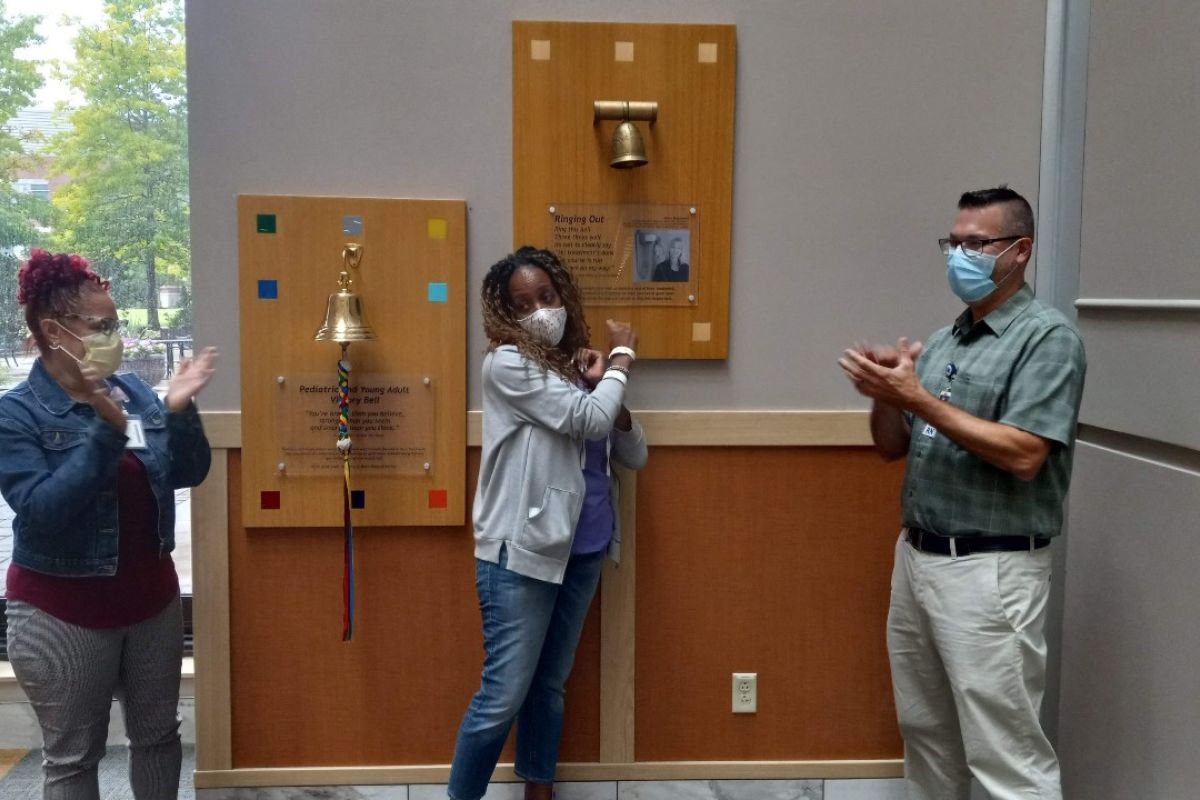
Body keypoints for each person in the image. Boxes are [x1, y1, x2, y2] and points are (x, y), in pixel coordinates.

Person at [838, 187, 1086, 800]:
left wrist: (917, 397)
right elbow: (892, 447)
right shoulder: (945, 338)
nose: (959, 255)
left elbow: (1026, 454)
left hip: (991, 571)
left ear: (1020, 251)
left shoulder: (1048, 339)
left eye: (977, 243)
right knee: (925, 734)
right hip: (918, 559)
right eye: (955, 242)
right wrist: (885, 396)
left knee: (1006, 754)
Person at [0, 249, 216, 800]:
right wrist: (105, 435)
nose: (115, 337)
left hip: (151, 605)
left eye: (115, 324)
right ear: (53, 331)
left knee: (158, 739)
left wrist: (179, 410)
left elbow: (187, 472)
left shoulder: (134, 393)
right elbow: (43, 511)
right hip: (62, 612)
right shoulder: (16, 413)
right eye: (102, 326)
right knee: (74, 758)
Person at [449, 246, 646, 800]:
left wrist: (610, 385)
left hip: (583, 549)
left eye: (547, 296)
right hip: (522, 551)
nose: (540, 309)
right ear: (507, 314)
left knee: (549, 687)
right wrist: (624, 358)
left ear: (564, 297)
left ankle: (540, 791)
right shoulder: (508, 365)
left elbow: (634, 453)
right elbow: (586, 419)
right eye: (524, 303)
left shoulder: (577, 369)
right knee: (502, 696)